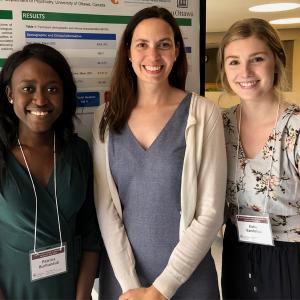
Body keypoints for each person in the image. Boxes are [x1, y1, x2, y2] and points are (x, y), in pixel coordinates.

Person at [92, 5, 227, 300]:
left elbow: (211, 213)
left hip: (188, 278)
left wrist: (160, 290)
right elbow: (106, 209)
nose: (153, 56)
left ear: (176, 51)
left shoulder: (203, 114)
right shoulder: (104, 117)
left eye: (163, 44)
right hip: (125, 280)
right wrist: (131, 285)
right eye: (142, 45)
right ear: (128, 52)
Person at [0, 43, 102, 299]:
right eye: (28, 88)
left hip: (70, 289)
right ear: (10, 94)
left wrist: (82, 296)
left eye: (52, 89)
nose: (41, 99)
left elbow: (91, 234)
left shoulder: (78, 152)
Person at [218, 18, 300, 299]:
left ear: (276, 61)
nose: (245, 72)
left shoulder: (296, 127)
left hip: (290, 257)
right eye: (234, 62)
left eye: (257, 59)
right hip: (236, 251)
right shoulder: (219, 125)